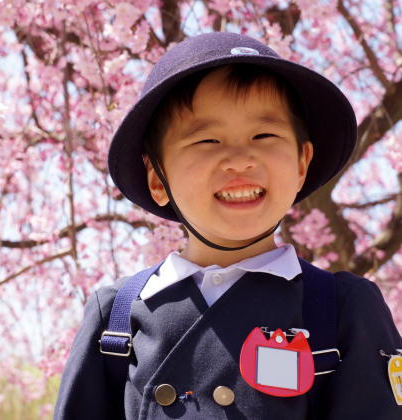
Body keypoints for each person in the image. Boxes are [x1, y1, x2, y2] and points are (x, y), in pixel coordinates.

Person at [54, 32, 402, 420]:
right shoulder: (116, 317)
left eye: (265, 134)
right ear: (157, 178)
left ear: (302, 164)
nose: (239, 159)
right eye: (206, 140)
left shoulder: (340, 307)